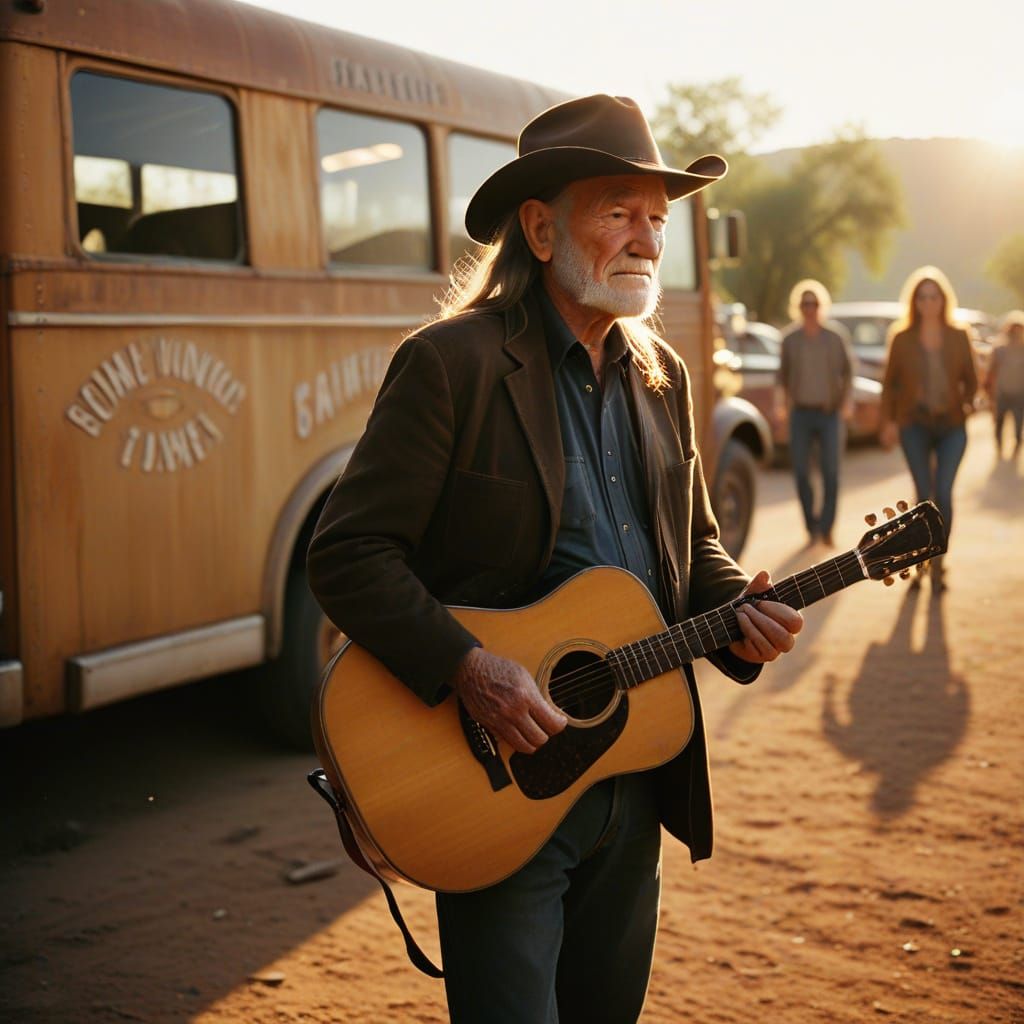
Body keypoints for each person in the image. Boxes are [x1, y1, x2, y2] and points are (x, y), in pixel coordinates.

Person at [307, 94, 803, 1024]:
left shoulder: (665, 374)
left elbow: (693, 545)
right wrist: (470, 668)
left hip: (637, 770)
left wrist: (741, 610)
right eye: (618, 211)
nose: (647, 239)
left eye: (658, 218)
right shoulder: (449, 364)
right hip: (501, 783)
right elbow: (348, 554)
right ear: (540, 228)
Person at [879, 266, 978, 592]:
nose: (928, 302)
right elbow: (890, 383)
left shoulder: (959, 335)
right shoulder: (902, 337)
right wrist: (890, 422)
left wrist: (966, 402)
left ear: (943, 299)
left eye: (934, 296)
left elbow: (971, 379)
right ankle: (917, 561)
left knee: (944, 495)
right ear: (915, 301)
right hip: (915, 424)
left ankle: (938, 563)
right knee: (924, 495)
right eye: (922, 297)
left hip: (951, 425)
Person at [775, 279, 854, 546]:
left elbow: (848, 372)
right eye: (805, 303)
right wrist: (781, 407)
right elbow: (782, 377)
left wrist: (846, 403)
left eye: (814, 303)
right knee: (800, 472)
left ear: (822, 306)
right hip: (801, 415)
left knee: (831, 472)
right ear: (798, 307)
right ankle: (812, 526)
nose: (810, 308)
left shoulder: (835, 338)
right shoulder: (790, 340)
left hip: (829, 413)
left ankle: (827, 526)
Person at [986, 310, 1024, 458]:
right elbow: (991, 371)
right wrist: (989, 392)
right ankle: (999, 447)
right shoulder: (1000, 349)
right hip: (1002, 393)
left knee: (1018, 425)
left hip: (1020, 395)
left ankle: (1016, 449)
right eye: (1012, 330)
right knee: (999, 424)